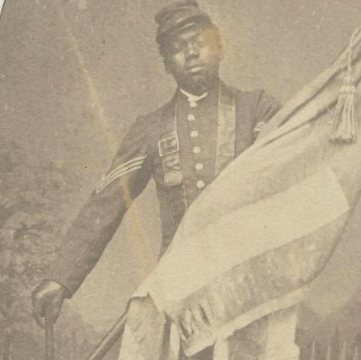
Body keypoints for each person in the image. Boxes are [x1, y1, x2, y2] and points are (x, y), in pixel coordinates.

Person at [32, 1, 298, 359]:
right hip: (183, 295)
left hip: (247, 287)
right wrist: (60, 279)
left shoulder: (258, 110)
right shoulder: (150, 129)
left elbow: (292, 169)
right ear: (166, 65)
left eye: (199, 41)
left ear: (218, 45)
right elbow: (105, 204)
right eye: (176, 48)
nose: (190, 53)